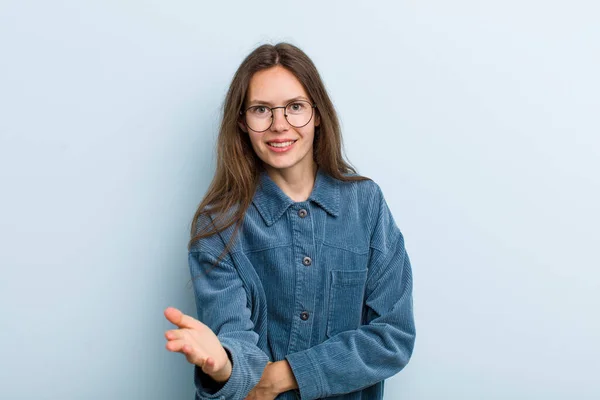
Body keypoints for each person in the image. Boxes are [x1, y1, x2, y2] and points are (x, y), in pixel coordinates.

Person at [164, 42, 416, 400]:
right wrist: (224, 367)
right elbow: (237, 342)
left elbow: (394, 336)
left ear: (316, 114)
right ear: (242, 122)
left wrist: (284, 374)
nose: (279, 125)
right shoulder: (218, 227)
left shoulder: (366, 204)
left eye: (295, 107)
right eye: (261, 110)